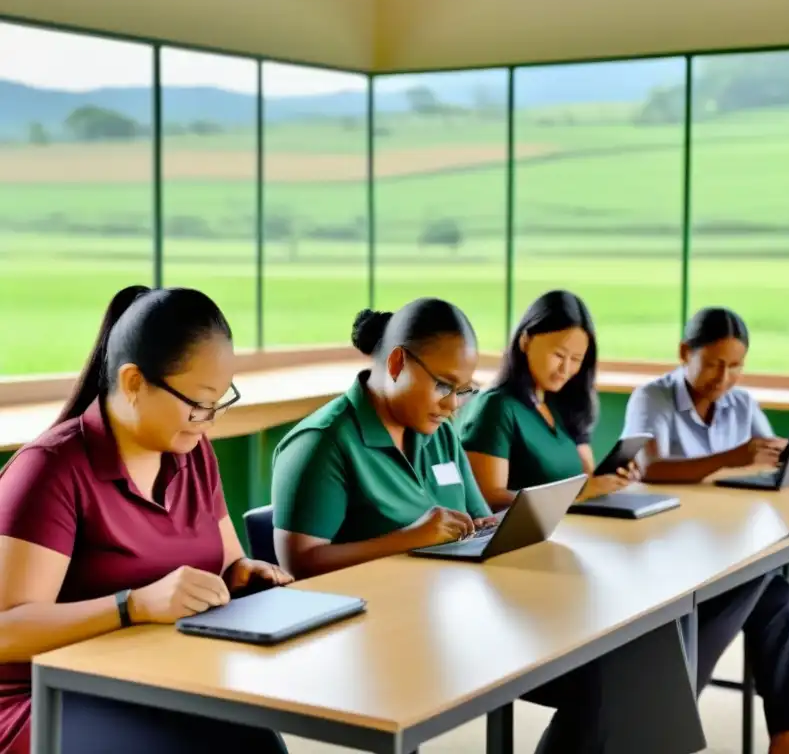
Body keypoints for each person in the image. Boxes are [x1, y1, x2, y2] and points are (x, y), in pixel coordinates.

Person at [271, 298, 705, 754]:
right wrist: (411, 538)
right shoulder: (322, 442)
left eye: (463, 390)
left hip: (459, 618)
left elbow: (482, 520)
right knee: (617, 679)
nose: (452, 406)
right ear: (397, 361)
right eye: (443, 386)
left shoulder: (437, 433)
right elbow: (301, 566)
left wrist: (512, 524)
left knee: (642, 652)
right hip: (380, 642)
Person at [0, 286, 293, 754]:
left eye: (221, 400)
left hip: (152, 678)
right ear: (134, 382)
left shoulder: (193, 453)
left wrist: (240, 575)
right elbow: (6, 630)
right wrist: (130, 605)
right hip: (47, 698)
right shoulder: (50, 469)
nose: (209, 420)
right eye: (198, 403)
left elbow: (227, 562)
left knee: (257, 745)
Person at [622, 306, 789, 754]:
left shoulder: (741, 402)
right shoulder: (651, 397)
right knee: (764, 583)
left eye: (736, 366)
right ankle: (667, 711)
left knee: (777, 595)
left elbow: (762, 456)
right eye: (713, 363)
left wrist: (782, 454)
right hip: (667, 544)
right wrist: (734, 457)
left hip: (725, 539)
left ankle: (787, 735)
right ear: (684, 353)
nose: (724, 376)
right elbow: (652, 469)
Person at [460, 290, 636, 511]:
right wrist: (577, 493)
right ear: (525, 341)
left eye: (576, 359)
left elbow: (586, 479)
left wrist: (610, 480)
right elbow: (489, 498)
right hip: (519, 539)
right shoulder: (496, 407)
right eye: (559, 356)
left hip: (575, 529)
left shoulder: (564, 403)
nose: (566, 369)